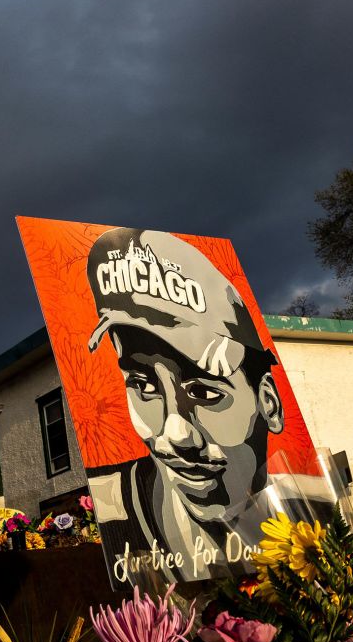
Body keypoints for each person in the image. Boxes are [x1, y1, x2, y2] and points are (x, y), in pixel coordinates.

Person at [82, 227, 331, 583]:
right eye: (142, 386)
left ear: (269, 404)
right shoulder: (109, 512)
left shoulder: (318, 512)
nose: (176, 435)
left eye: (204, 393)